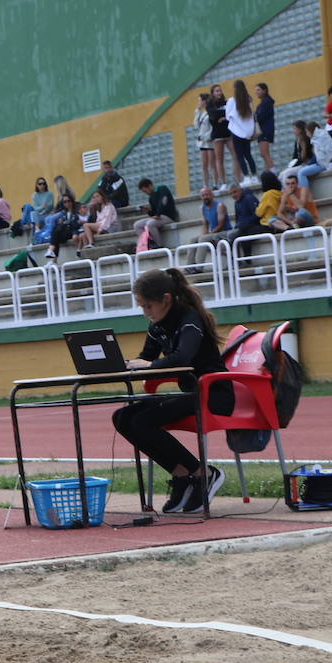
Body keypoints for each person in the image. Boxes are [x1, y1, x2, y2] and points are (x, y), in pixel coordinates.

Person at [114, 268, 231, 514]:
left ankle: (204, 473)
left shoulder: (189, 318)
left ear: (166, 299)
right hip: (189, 393)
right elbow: (147, 359)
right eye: (141, 307)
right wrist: (124, 366)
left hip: (213, 394)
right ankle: (182, 476)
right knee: (123, 417)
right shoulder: (157, 325)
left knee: (144, 421)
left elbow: (183, 357)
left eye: (148, 306)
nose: (145, 312)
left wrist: (149, 365)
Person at [224, 79, 258, 186]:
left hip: (237, 132)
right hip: (247, 132)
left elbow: (227, 116)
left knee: (240, 155)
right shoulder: (248, 100)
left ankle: (247, 177)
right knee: (248, 154)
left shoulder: (231, 101)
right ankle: (255, 176)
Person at [188, 186, 232, 267]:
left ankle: (199, 266)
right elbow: (205, 225)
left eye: (207, 195)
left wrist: (207, 235)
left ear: (212, 195)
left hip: (224, 233)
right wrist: (203, 234)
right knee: (193, 240)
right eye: (203, 195)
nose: (205, 197)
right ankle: (189, 266)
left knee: (203, 238)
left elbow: (221, 225)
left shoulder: (219, 206)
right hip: (213, 234)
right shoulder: (202, 208)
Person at [133, 178, 178, 248]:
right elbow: (153, 213)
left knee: (150, 224)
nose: (146, 193)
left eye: (145, 191)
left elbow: (163, 202)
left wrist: (158, 214)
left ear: (150, 186)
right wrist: (148, 211)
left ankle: (158, 245)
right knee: (137, 225)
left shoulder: (162, 189)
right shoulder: (151, 198)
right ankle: (147, 243)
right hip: (159, 217)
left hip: (168, 216)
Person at [206, 83, 232, 191]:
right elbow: (213, 115)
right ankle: (223, 182)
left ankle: (238, 179)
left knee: (235, 155)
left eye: (220, 91)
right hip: (217, 135)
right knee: (219, 159)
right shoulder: (210, 105)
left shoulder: (226, 102)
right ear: (212, 93)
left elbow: (231, 112)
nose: (219, 93)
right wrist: (223, 114)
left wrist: (224, 117)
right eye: (217, 91)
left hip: (228, 132)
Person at [194, 94, 221, 192]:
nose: (199, 103)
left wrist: (207, 136)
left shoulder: (210, 112)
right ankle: (205, 185)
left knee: (212, 164)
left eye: (200, 101)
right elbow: (196, 126)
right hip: (202, 142)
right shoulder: (201, 113)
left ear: (205, 101)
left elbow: (212, 126)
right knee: (204, 165)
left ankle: (215, 184)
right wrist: (197, 112)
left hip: (209, 140)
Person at [43, 194, 82, 261]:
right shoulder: (63, 213)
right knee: (56, 234)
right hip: (67, 231)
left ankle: (51, 251)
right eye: (65, 202)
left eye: (68, 201)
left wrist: (67, 223)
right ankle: (53, 256)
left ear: (72, 201)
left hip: (74, 231)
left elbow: (77, 224)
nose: (67, 203)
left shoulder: (77, 211)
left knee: (56, 234)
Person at [253, 83, 275, 172]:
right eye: (256, 90)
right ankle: (268, 171)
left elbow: (260, 116)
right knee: (264, 153)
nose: (256, 92)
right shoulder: (262, 103)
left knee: (264, 153)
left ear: (264, 90)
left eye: (258, 90)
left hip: (265, 130)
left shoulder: (267, 102)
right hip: (263, 130)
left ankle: (273, 172)